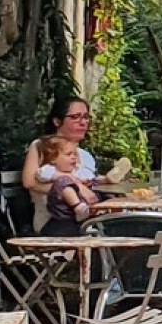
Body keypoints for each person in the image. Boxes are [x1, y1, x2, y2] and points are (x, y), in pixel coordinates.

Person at [23, 95, 105, 233]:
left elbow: (92, 182)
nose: (83, 122)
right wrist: (77, 189)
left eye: (86, 117)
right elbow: (29, 182)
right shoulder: (42, 147)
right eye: (75, 117)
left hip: (88, 218)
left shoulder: (86, 156)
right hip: (55, 220)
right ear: (57, 121)